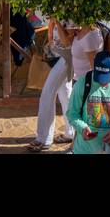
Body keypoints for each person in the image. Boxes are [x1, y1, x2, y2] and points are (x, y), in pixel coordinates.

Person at [65, 49, 110, 155]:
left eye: (106, 77)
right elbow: (72, 114)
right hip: (84, 150)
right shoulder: (82, 84)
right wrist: (82, 128)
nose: (102, 82)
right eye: (99, 76)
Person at [27, 18, 76, 152]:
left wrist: (58, 23)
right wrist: (50, 41)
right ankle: (71, 132)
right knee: (65, 94)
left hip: (66, 58)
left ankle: (44, 139)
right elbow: (51, 27)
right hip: (56, 56)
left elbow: (67, 42)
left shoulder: (71, 17)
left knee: (47, 95)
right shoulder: (58, 10)